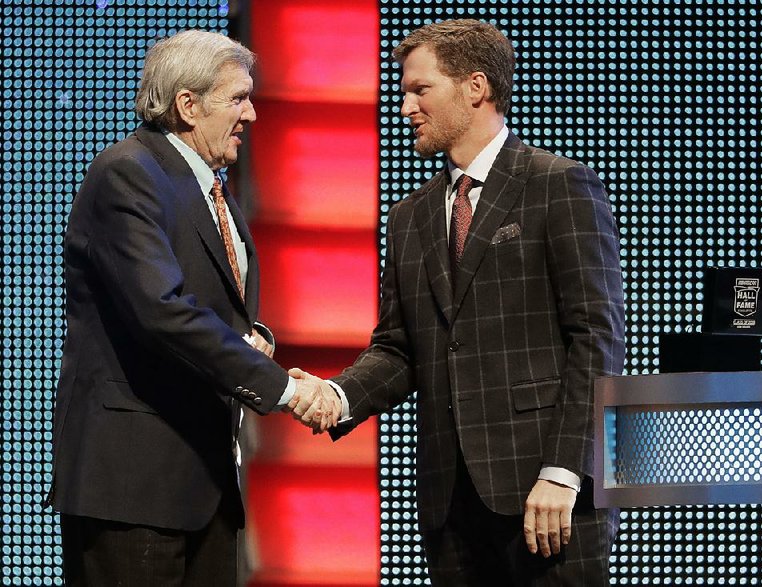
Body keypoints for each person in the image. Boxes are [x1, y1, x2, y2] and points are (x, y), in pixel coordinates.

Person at [291, 19, 625, 586]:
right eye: (404, 92)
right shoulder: (411, 215)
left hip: (545, 494)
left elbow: (596, 337)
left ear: (475, 88)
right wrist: (337, 394)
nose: (405, 108)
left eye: (420, 90)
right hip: (450, 504)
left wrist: (565, 469)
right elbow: (400, 348)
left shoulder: (556, 184)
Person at [48, 30, 339, 586]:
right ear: (187, 104)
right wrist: (284, 389)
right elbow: (162, 309)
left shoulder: (212, 187)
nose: (252, 114)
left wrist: (253, 336)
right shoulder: (128, 173)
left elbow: (209, 304)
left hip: (204, 485)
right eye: (238, 98)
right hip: (135, 488)